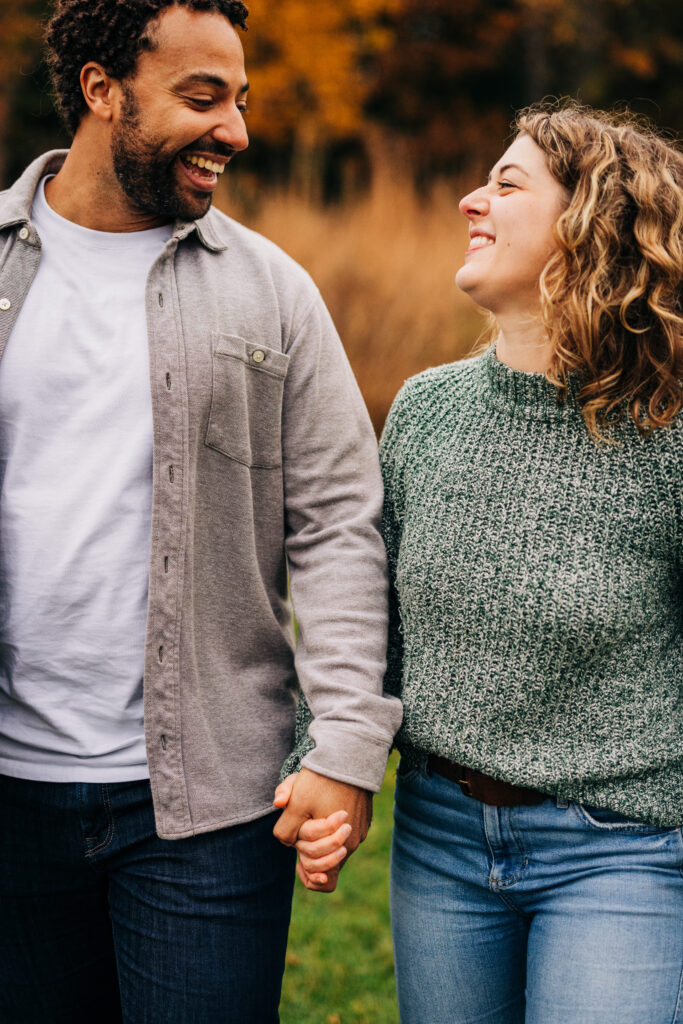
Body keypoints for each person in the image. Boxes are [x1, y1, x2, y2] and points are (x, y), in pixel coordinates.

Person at [0, 1, 402, 1021]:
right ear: (102, 91)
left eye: (241, 99)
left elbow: (337, 526)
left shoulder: (273, 292)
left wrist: (346, 743)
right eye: (201, 96)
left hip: (206, 810)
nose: (236, 129)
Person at [285, 101, 683, 1023]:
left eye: (507, 185)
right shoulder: (426, 412)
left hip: (619, 852)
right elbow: (363, 614)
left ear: (593, 225)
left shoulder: (667, 432)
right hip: (441, 844)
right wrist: (329, 763)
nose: (471, 199)